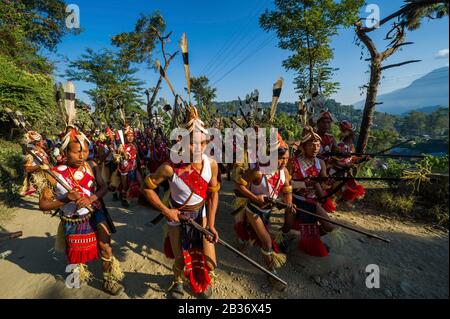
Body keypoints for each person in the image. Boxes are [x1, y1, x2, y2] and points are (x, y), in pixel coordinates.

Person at [141, 106, 220, 299]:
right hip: (176, 218)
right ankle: (177, 280)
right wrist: (166, 211)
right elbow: (146, 188)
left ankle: (200, 278)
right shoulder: (169, 168)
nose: (199, 148)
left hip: (200, 215)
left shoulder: (211, 164)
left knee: (209, 261)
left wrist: (211, 223)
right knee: (179, 258)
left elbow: (213, 194)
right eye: (193, 143)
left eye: (202, 143)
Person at [38, 124, 124, 295]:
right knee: (74, 254)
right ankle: (75, 275)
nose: (82, 155)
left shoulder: (91, 165)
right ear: (65, 153)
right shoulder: (54, 174)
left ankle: (108, 280)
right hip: (72, 219)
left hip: (95, 212)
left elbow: (103, 187)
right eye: (76, 152)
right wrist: (64, 199)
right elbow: (43, 205)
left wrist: (91, 198)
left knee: (106, 246)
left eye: (84, 151)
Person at [234, 133, 292, 281]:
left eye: (286, 158)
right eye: (281, 158)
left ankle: (246, 239)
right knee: (266, 242)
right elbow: (239, 186)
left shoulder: (284, 172)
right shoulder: (258, 172)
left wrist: (289, 205)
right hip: (253, 210)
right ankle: (271, 272)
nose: (284, 162)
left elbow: (287, 190)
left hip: (267, 211)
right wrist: (254, 198)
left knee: (256, 236)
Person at [279, 126, 336, 257]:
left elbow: (324, 181)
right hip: (294, 199)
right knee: (288, 225)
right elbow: (285, 182)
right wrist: (303, 184)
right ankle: (280, 240)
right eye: (312, 144)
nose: (315, 147)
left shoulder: (320, 163)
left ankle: (311, 237)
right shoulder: (293, 163)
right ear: (303, 146)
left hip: (312, 201)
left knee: (329, 226)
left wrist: (327, 182)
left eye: (317, 145)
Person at [116, 125, 143, 207]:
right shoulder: (121, 146)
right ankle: (125, 199)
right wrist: (122, 155)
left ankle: (141, 198)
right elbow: (117, 158)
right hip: (125, 169)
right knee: (126, 186)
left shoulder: (135, 145)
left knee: (140, 182)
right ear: (125, 137)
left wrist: (141, 163)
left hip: (134, 167)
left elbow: (137, 155)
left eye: (132, 136)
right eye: (128, 136)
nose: (130, 138)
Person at [21, 131, 50, 197]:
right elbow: (27, 169)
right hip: (39, 178)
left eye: (42, 140)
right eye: (41, 140)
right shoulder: (30, 154)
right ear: (37, 143)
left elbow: (46, 162)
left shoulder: (41, 150)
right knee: (45, 196)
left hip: (47, 175)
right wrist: (39, 166)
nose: (43, 142)